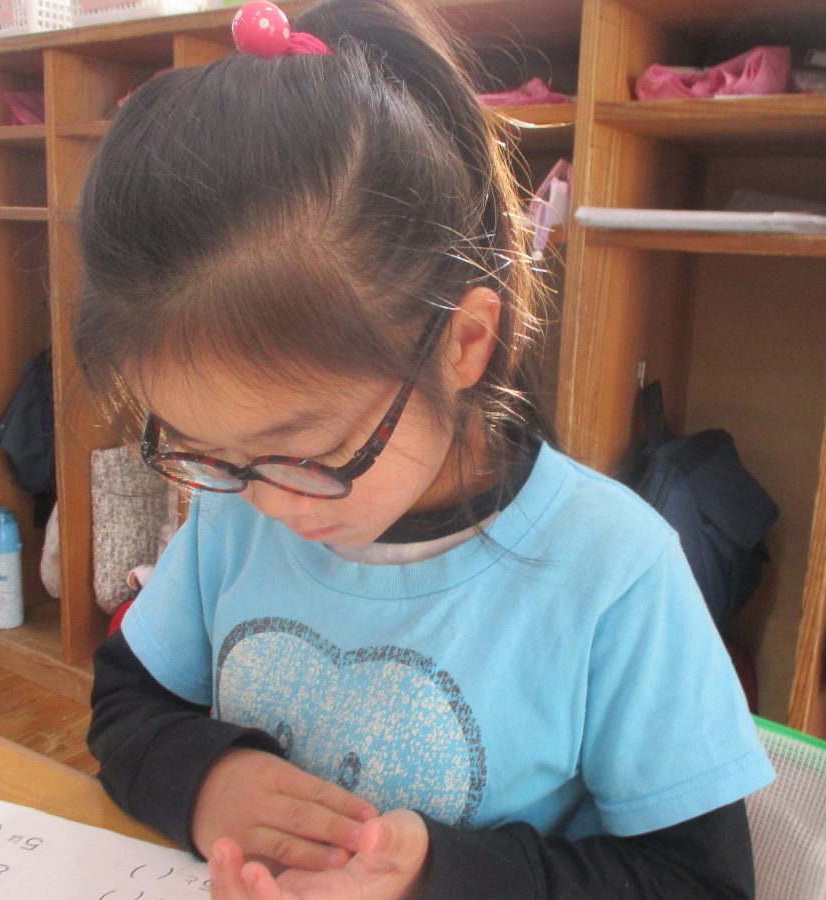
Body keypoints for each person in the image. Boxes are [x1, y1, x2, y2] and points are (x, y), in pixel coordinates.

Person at [76, 1, 775, 897]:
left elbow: (702, 883)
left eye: (312, 455)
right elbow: (125, 702)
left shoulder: (612, 571)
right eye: (210, 452)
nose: (269, 504)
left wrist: (440, 877)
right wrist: (207, 779)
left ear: (463, 344)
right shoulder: (235, 510)